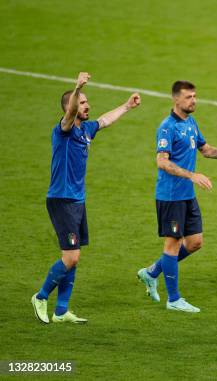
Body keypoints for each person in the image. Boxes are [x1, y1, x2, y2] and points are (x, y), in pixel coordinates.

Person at [31, 72, 141, 324]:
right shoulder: (64, 130)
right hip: (61, 199)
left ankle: (61, 311)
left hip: (78, 201)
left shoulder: (86, 130)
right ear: (71, 107)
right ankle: (41, 296)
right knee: (71, 257)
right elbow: (69, 116)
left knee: (74, 255)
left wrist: (126, 106)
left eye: (86, 101)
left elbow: (104, 120)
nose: (87, 105)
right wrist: (77, 86)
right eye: (82, 102)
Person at [137, 80, 217, 313]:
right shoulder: (167, 127)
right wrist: (191, 175)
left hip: (187, 195)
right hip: (170, 196)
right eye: (189, 97)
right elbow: (162, 161)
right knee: (173, 245)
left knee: (195, 242)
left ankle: (151, 272)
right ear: (176, 99)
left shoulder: (191, 122)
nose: (194, 100)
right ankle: (174, 299)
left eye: (195, 96)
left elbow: (205, 150)